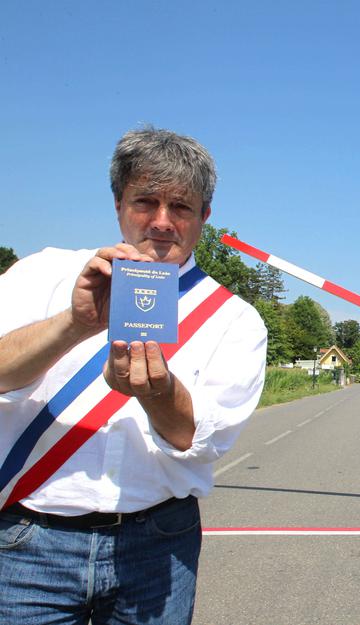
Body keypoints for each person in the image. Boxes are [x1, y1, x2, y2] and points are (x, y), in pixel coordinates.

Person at [0, 127, 267, 624]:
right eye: (146, 201)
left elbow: (199, 438)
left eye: (182, 207)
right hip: (26, 539)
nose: (162, 222)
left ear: (204, 216)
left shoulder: (233, 318)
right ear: (118, 204)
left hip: (157, 543)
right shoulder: (44, 272)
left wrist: (158, 392)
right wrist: (74, 324)